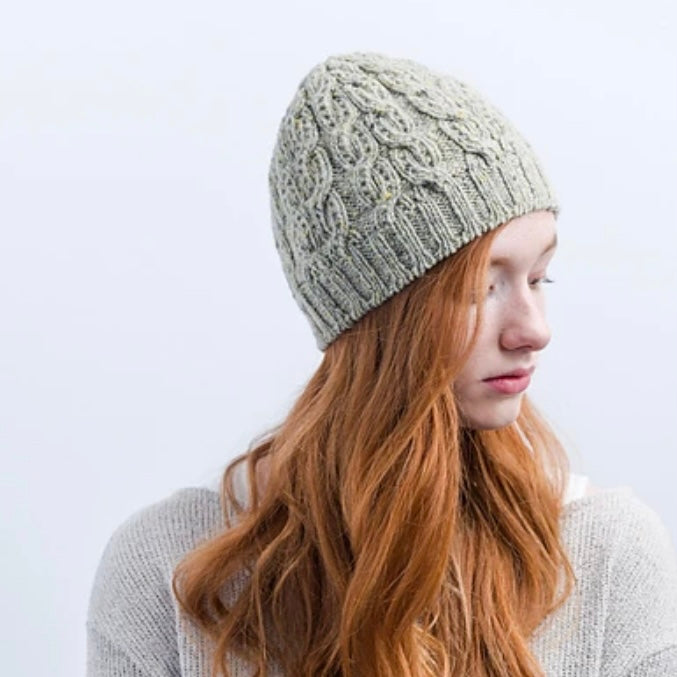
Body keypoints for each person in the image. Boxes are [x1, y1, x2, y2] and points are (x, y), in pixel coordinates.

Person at [86, 52, 677, 676]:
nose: (535, 331)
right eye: (482, 286)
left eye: (540, 276)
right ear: (373, 316)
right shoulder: (166, 568)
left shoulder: (606, 554)